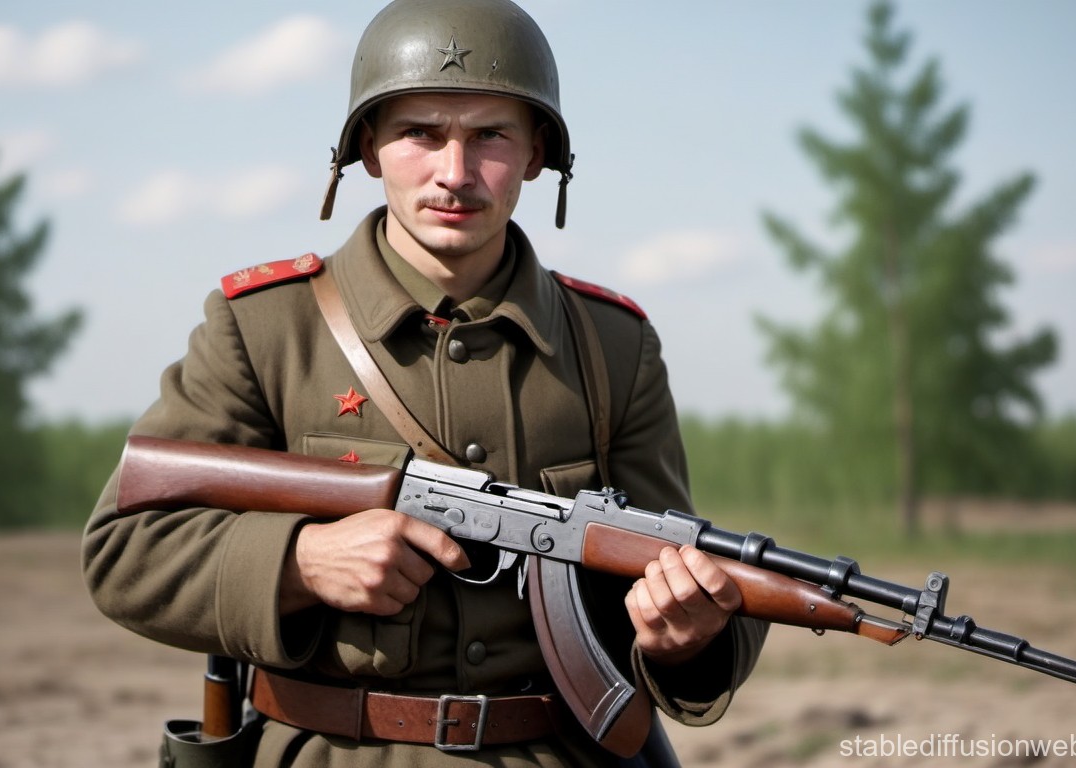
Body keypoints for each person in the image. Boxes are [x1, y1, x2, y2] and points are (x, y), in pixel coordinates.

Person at [83, 1, 767, 765]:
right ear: (368, 148)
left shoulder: (611, 346)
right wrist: (302, 561)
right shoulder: (267, 328)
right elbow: (125, 548)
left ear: (538, 153)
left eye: (491, 135)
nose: (455, 173)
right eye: (420, 132)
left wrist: (686, 639)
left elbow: (673, 569)